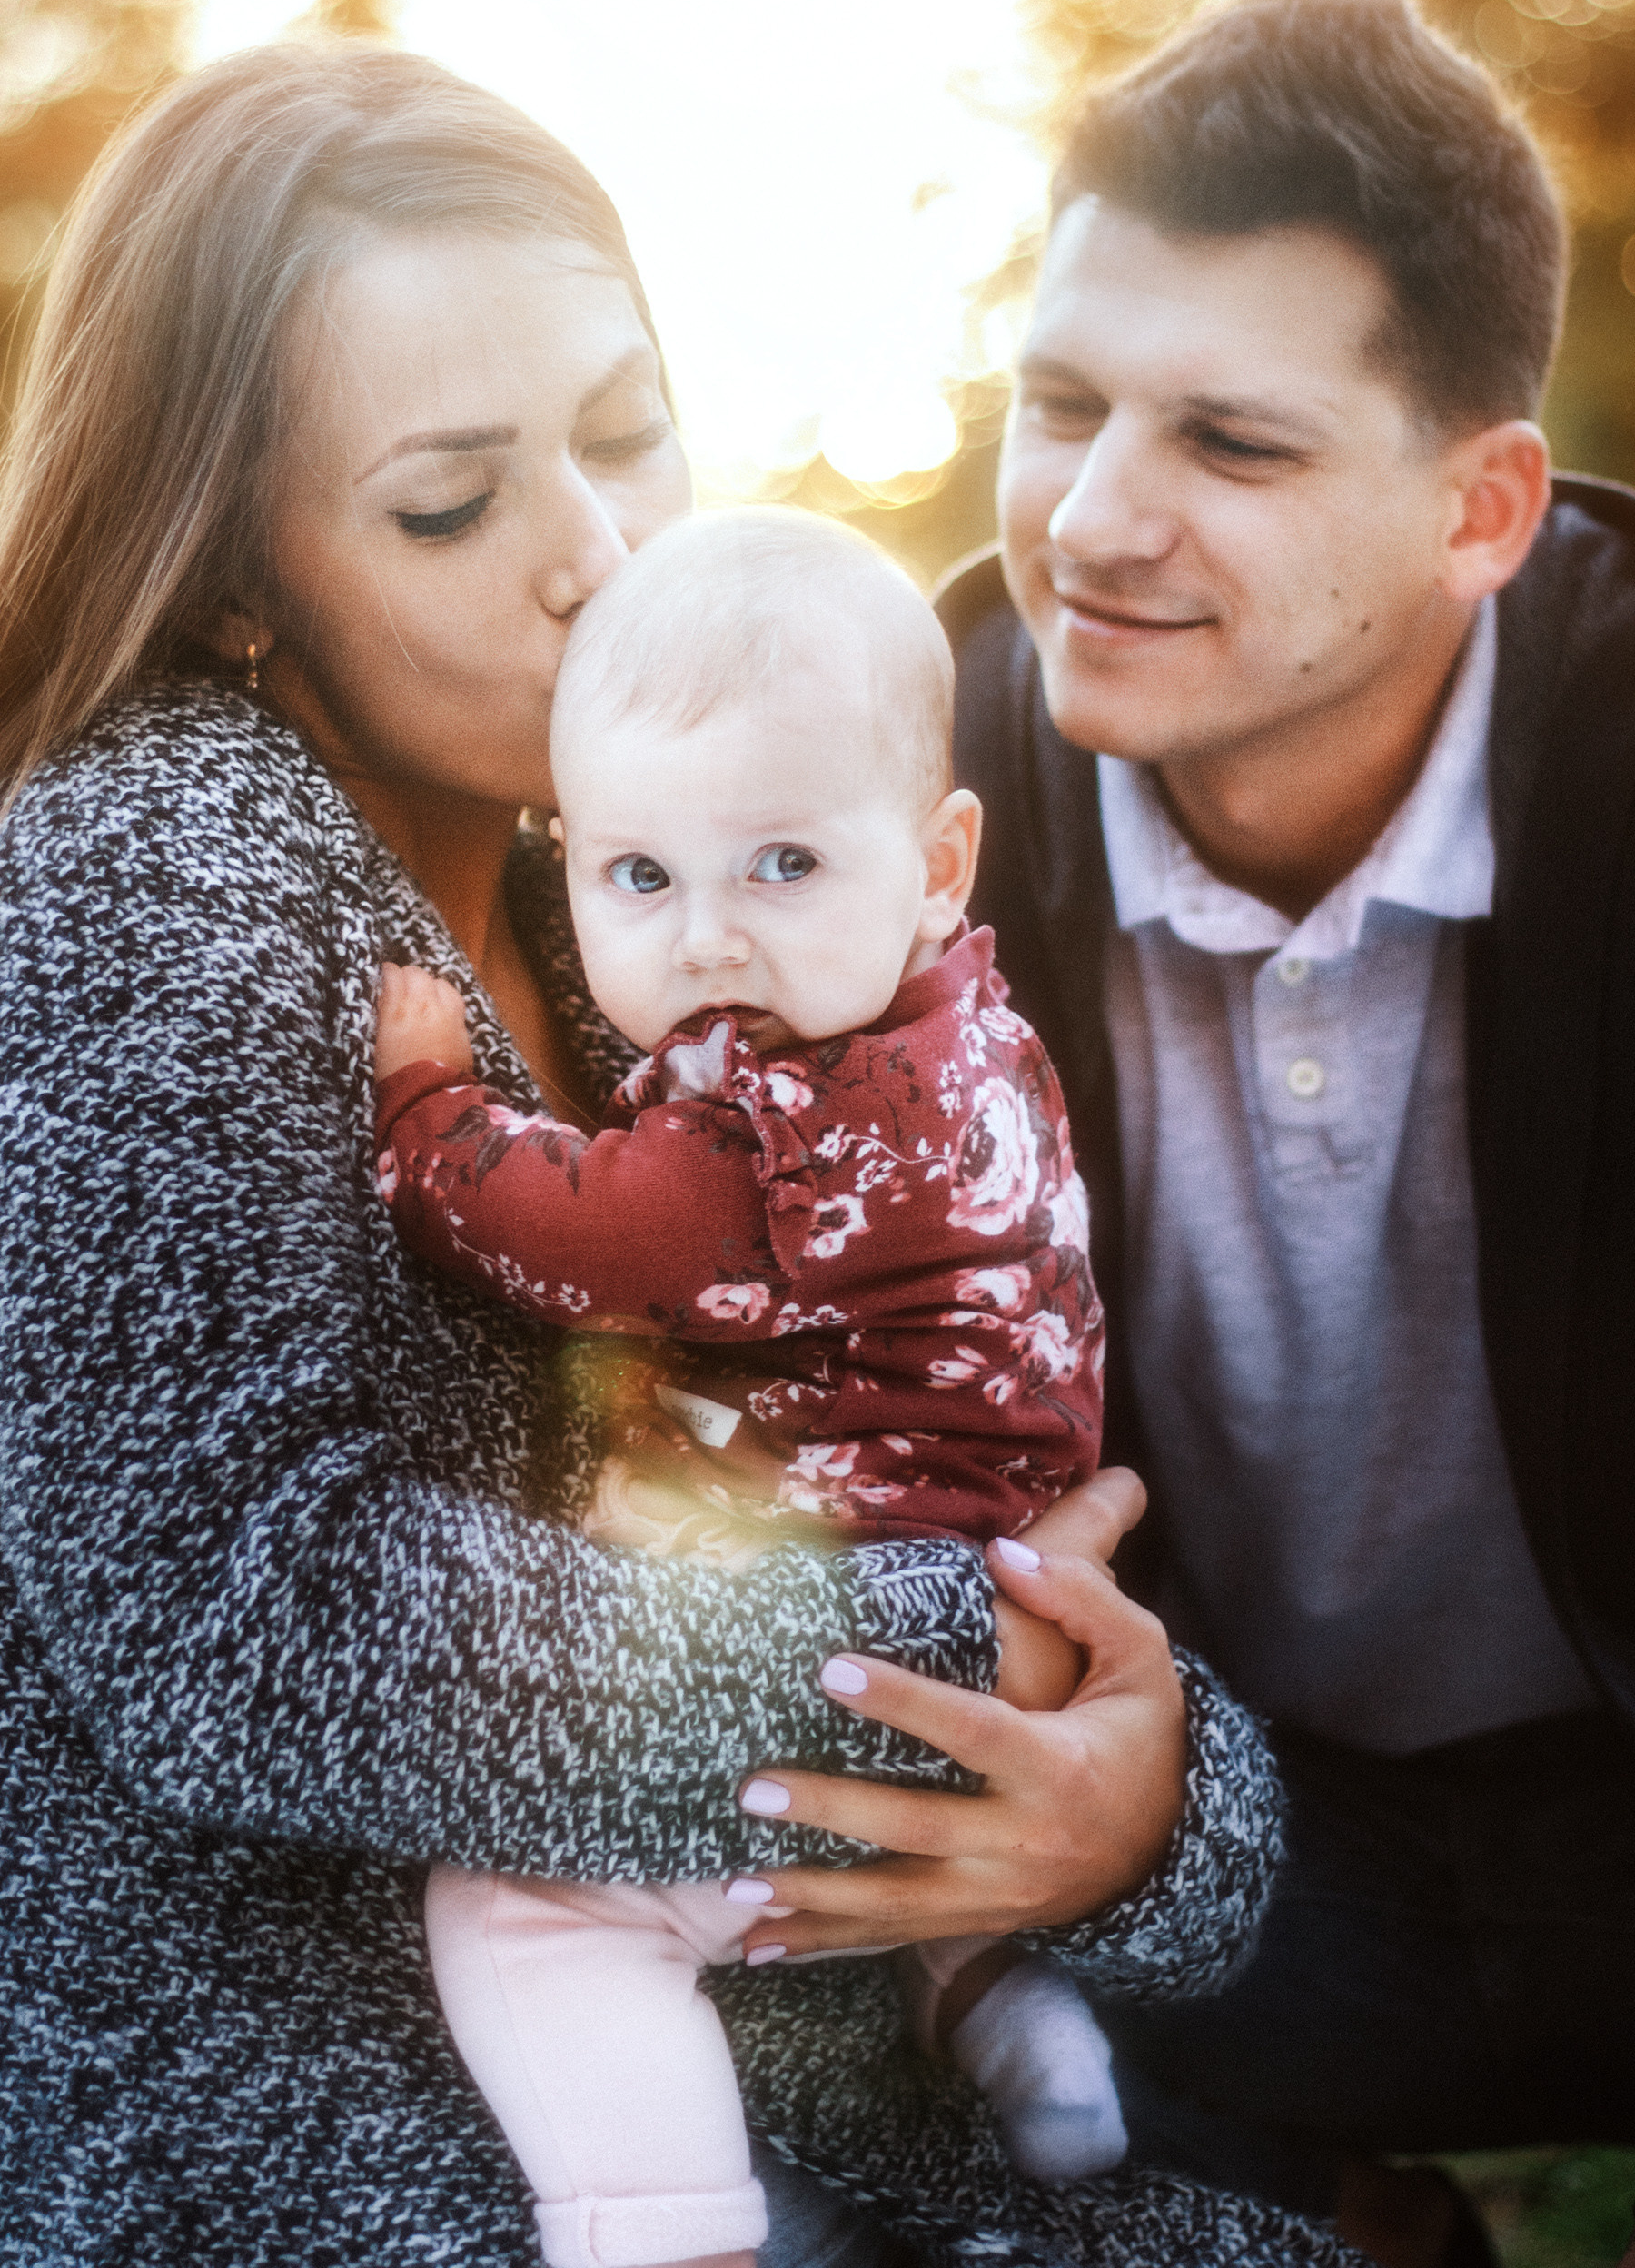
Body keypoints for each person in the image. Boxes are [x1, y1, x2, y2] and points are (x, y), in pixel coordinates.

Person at [0, 40, 1340, 2268]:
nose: (599, 553)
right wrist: (980, 1675)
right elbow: (254, 1626)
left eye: (624, 431)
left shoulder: (638, 895)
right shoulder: (150, 875)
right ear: (236, 573)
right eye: (451, 504)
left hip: (759, 2094)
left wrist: (1134, 1813)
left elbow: (938, 1472)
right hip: (319, 2184)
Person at [942, 0, 1635, 2265]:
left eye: (1230, 445)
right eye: (1060, 405)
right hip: (1205, 1854)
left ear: (1481, 509)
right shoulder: (885, 799)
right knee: (752, 1953)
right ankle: (1328, 2221)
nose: (1091, 519)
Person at [369, 505, 1122, 2268]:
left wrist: (424, 1112)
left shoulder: (785, 1137)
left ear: (937, 862)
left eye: (781, 864)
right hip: (995, 1575)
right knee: (901, 1847)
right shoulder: (972, 1038)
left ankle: (664, 2225)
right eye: (641, 878)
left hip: (862, 1611)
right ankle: (1000, 2002)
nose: (707, 941)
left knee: (529, 1899)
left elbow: (585, 1238)